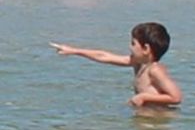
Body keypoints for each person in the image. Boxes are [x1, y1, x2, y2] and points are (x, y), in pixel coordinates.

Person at [50, 22, 183, 109]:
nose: (129, 47)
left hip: (157, 120)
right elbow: (104, 56)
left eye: (133, 43)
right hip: (145, 116)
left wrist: (144, 97)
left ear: (146, 49)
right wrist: (74, 51)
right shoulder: (138, 63)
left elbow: (176, 97)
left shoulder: (155, 70)